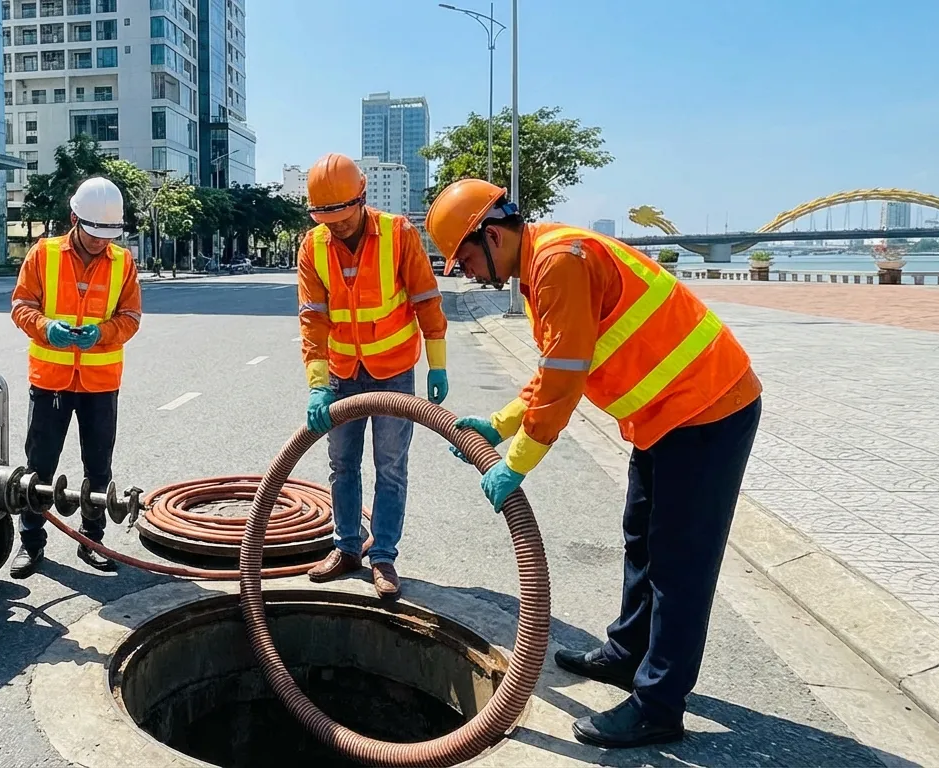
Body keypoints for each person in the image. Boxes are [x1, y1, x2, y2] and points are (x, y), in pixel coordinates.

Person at [428, 178, 763, 748]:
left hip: (707, 408)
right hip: (666, 416)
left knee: (679, 565)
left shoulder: (560, 262)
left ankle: (658, 705)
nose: (469, 273)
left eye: (466, 260)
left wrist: (516, 462)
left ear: (492, 237)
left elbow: (564, 379)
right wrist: (501, 423)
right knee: (642, 538)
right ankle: (628, 653)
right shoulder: (541, 266)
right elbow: (558, 365)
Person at [297, 153, 450, 600]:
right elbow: (313, 320)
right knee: (342, 464)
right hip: (342, 373)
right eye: (327, 220)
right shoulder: (313, 246)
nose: (337, 227)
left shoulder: (398, 234)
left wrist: (437, 362)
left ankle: (382, 555)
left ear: (362, 199)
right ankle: (346, 547)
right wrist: (318, 386)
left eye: (343, 218)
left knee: (391, 466)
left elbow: (426, 299)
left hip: (393, 372)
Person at [8, 176, 143, 578]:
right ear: (74, 219)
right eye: (94, 233)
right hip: (51, 380)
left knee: (98, 467)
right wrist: (46, 327)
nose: (101, 242)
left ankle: (92, 540)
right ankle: (31, 542)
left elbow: (131, 317)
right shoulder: (43, 254)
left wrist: (102, 333)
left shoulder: (123, 262)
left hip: (100, 383)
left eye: (108, 235)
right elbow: (21, 305)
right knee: (39, 466)